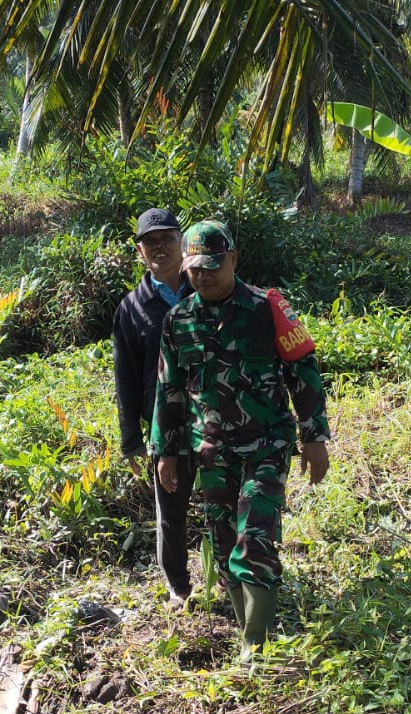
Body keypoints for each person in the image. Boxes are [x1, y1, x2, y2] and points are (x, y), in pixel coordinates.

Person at [151, 220, 330, 659]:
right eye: (195, 268)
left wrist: (314, 437)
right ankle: (245, 626)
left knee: (257, 537)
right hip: (211, 451)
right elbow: (169, 391)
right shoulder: (179, 319)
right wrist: (166, 452)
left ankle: (255, 645)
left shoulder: (267, 308)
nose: (204, 276)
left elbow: (302, 371)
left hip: (266, 444)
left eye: (213, 266)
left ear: (234, 259)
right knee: (225, 539)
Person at [113, 208, 195, 607]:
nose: (159, 248)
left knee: (224, 503)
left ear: (182, 243)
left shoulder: (208, 287)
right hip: (165, 427)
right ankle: (178, 587)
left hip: (217, 421)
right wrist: (131, 442)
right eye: (150, 242)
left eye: (166, 239)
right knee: (171, 511)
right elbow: (125, 378)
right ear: (141, 252)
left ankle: (231, 579)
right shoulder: (132, 308)